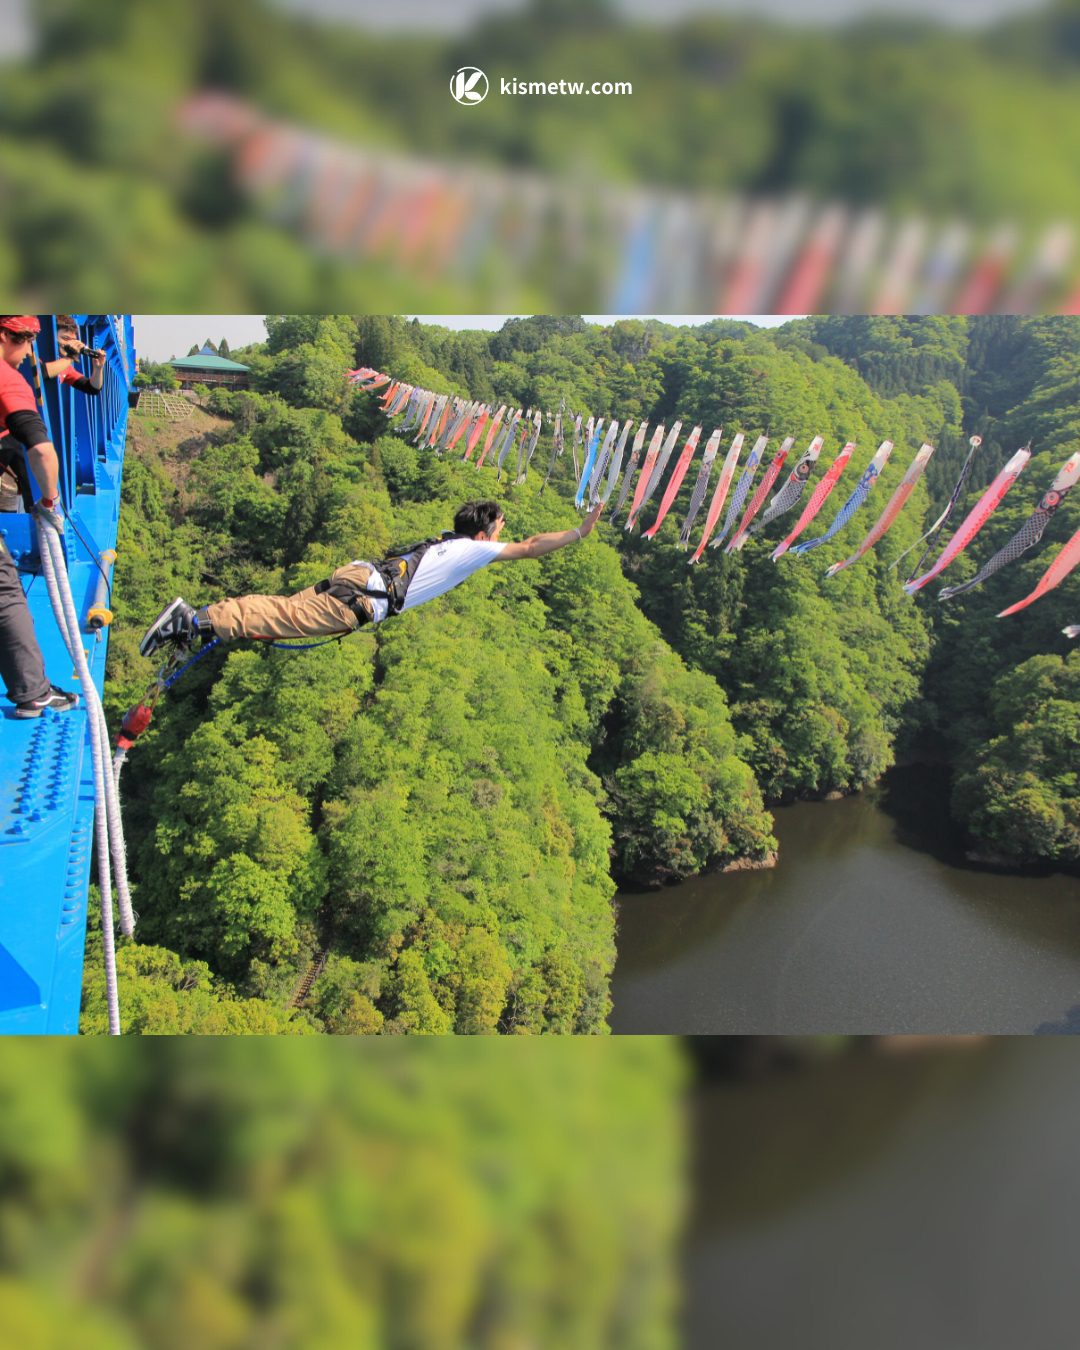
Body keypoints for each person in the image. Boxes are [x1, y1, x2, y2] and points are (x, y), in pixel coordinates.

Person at [140, 500, 603, 658]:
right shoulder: (474, 550)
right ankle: (193, 621)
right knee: (282, 617)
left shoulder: (447, 542)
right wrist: (579, 532)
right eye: (499, 527)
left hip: (360, 576)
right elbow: (530, 546)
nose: (504, 535)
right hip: (362, 598)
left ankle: (202, 623)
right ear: (484, 532)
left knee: (284, 609)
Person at [0, 315, 78, 716]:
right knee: (4, 591)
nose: (31, 348)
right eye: (26, 338)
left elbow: (92, 384)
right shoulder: (9, 378)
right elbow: (44, 451)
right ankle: (32, 691)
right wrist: (50, 504)